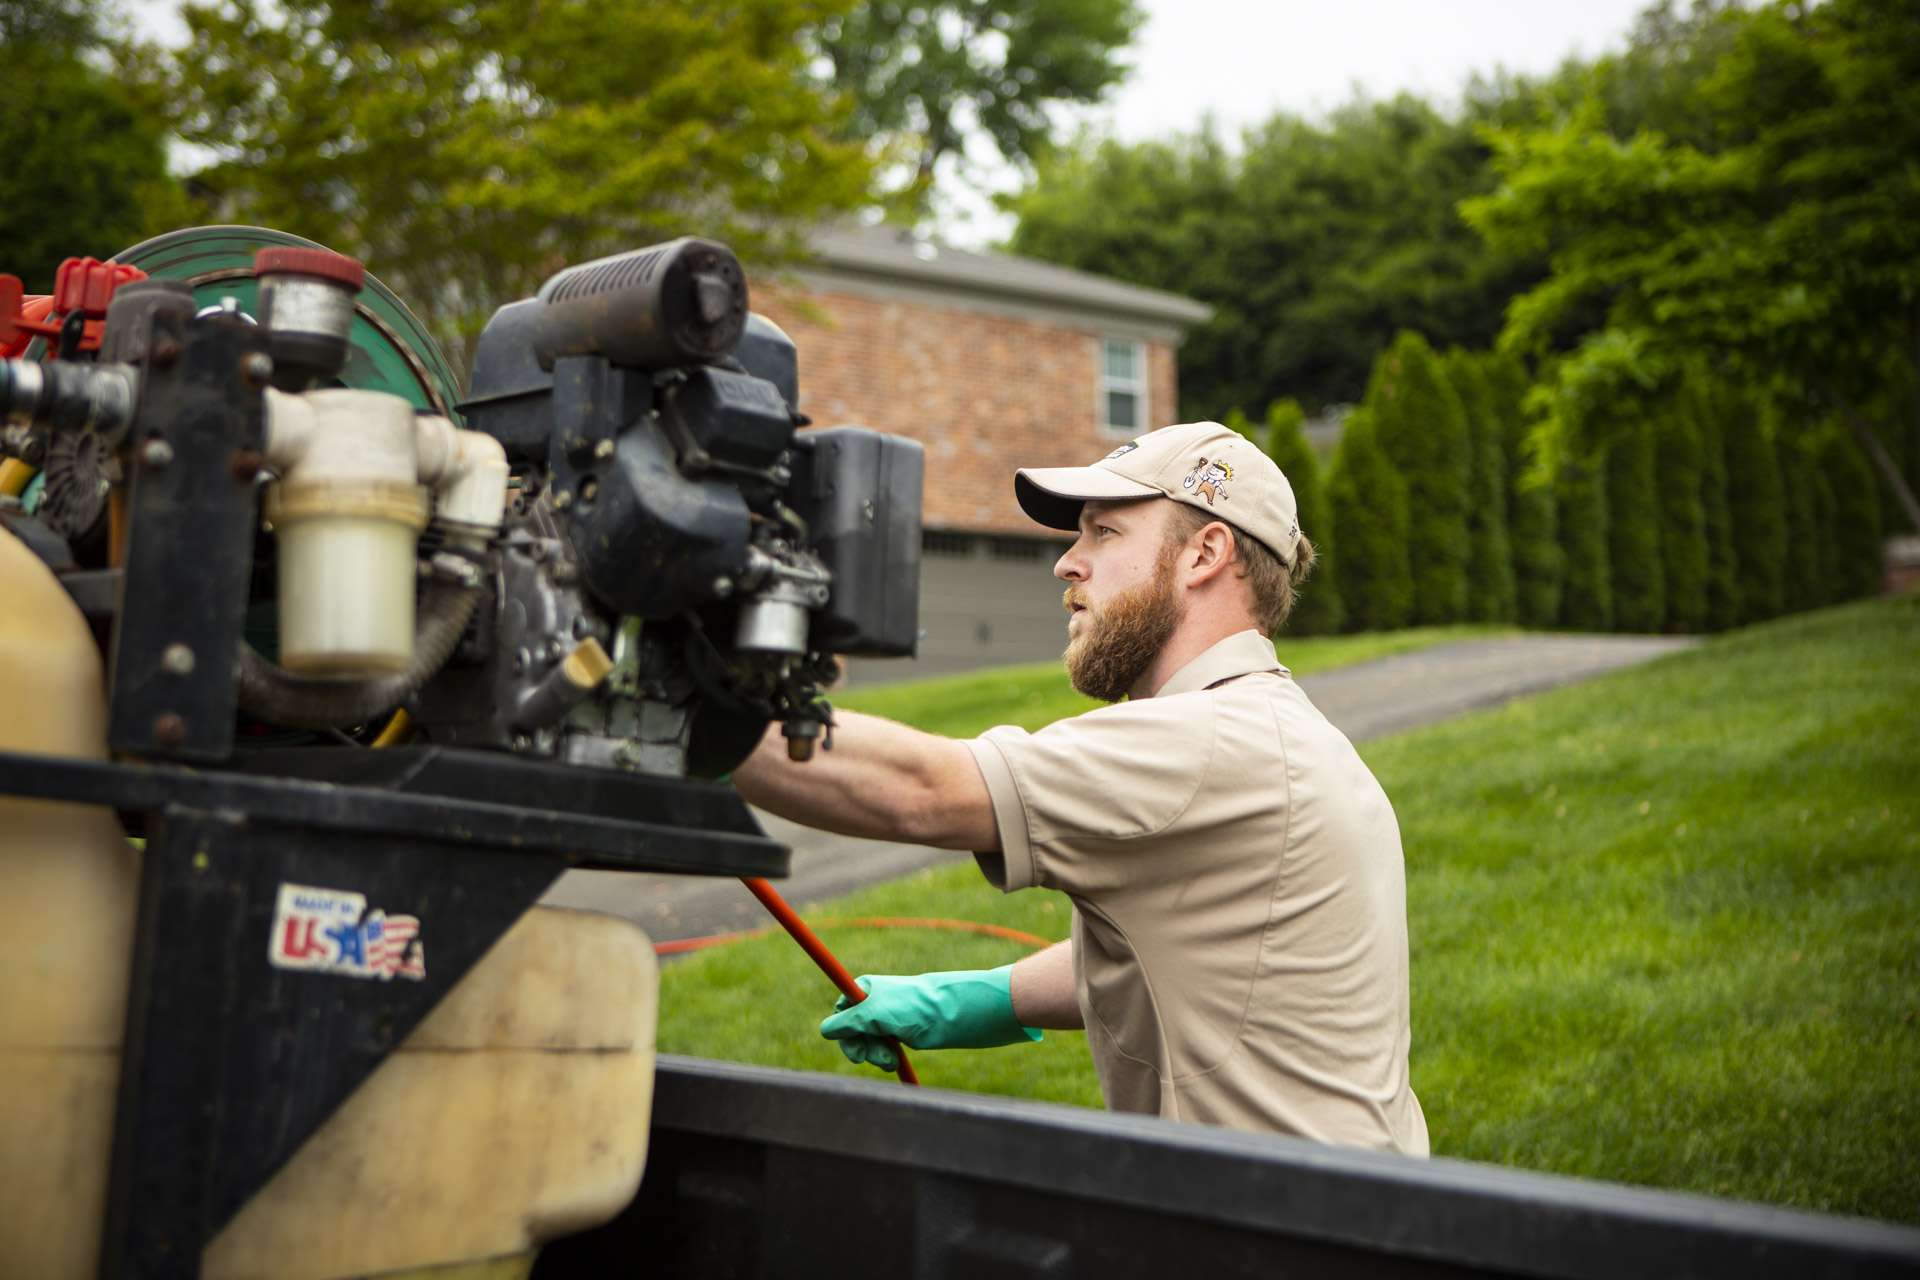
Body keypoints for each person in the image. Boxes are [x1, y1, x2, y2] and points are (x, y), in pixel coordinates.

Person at [731, 421, 1428, 1155]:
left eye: (1103, 533)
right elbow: (1197, 955)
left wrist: (705, 720)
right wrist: (974, 1000)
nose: (1067, 563)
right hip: (1356, 1209)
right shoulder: (1283, 732)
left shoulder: (1206, 742)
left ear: (1205, 553)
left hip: (1276, 1232)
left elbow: (925, 790)